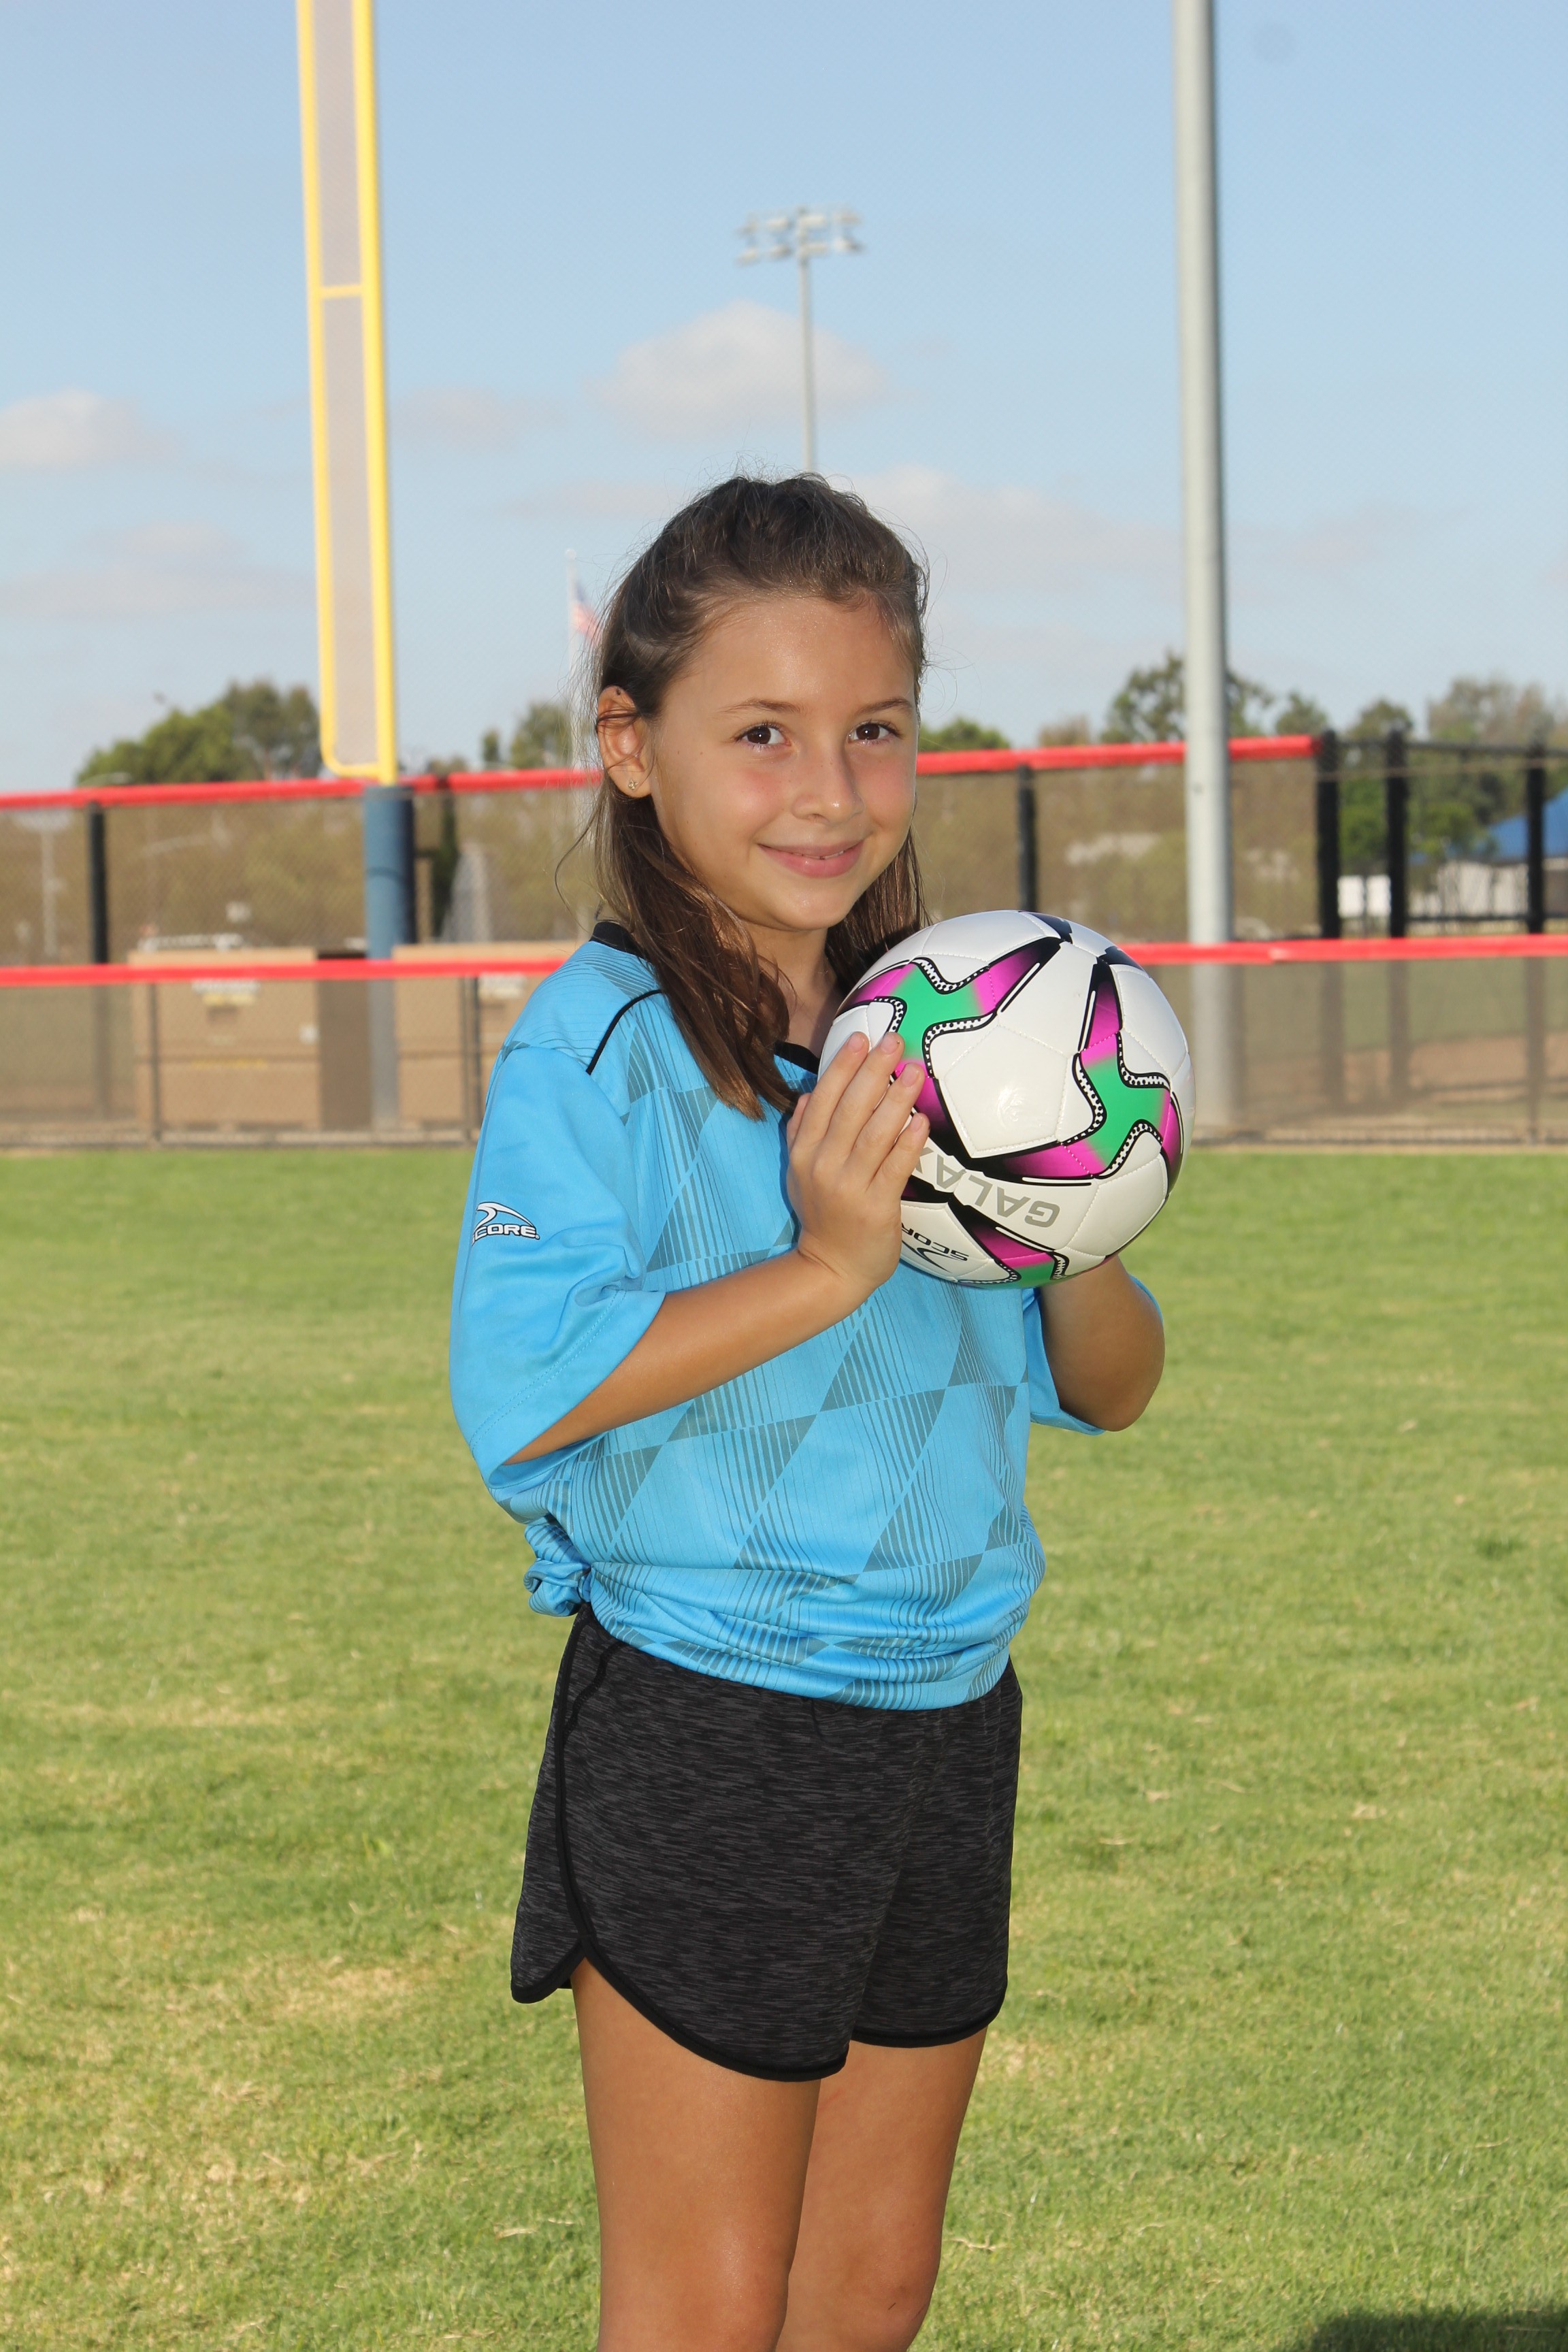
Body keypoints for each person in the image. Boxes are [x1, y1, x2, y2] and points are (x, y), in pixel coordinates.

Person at [450, 475, 1164, 2352]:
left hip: (946, 1707)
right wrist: (831, 1262)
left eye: (875, 730)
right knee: (707, 2305)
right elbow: (526, 1386)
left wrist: (1074, 1222)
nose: (829, 791)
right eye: (761, 734)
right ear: (631, 746)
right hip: (715, 1715)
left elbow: (1115, 1387)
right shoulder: (601, 1040)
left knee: (870, 2285)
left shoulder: (942, 1030)